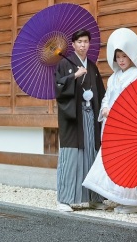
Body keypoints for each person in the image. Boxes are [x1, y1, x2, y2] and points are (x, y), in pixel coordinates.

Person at [82, 27, 137, 214]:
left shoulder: (136, 76)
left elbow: (134, 101)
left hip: (128, 126)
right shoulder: (113, 78)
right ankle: (120, 198)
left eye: (124, 56)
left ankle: (132, 202)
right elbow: (107, 97)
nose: (121, 60)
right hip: (111, 123)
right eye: (118, 56)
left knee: (128, 161)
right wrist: (104, 107)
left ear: (131, 57)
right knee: (113, 161)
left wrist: (115, 110)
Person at [53, 28, 106, 212]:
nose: (83, 45)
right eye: (79, 42)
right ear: (73, 44)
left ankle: (94, 197)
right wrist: (74, 76)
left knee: (92, 154)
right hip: (73, 118)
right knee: (72, 156)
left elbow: (101, 92)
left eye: (86, 41)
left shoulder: (92, 67)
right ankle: (64, 199)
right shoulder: (64, 64)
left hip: (91, 116)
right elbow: (58, 88)